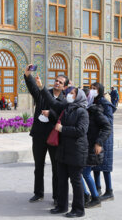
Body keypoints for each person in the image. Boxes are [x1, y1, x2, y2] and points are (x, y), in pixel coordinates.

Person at [37, 77, 89, 218]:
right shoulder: (66, 108)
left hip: (76, 152)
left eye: (72, 94)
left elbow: (81, 131)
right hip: (63, 150)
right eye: (69, 93)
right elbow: (52, 102)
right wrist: (42, 88)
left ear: (78, 97)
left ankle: (78, 209)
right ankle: (62, 206)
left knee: (76, 181)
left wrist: (63, 129)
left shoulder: (82, 112)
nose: (69, 95)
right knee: (61, 179)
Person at [24, 65, 67, 206]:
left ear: (64, 87)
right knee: (39, 166)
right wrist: (27, 75)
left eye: (60, 82)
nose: (57, 83)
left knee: (56, 168)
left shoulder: (65, 101)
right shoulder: (44, 93)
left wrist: (51, 114)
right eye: (56, 80)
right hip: (39, 136)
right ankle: (38, 193)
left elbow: (63, 116)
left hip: (54, 138)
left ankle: (56, 196)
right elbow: (33, 89)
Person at [82, 88, 112, 208]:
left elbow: (107, 127)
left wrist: (99, 142)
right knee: (79, 172)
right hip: (82, 147)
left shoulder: (94, 111)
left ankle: (94, 197)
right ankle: (87, 194)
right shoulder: (82, 110)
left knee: (85, 172)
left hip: (91, 147)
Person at [91, 82, 117, 202]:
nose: (92, 90)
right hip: (95, 137)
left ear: (100, 90)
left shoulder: (105, 103)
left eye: (95, 88)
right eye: (91, 88)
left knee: (105, 166)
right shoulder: (93, 101)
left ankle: (109, 191)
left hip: (105, 139)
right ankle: (97, 188)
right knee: (95, 165)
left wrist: (98, 113)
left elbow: (109, 122)